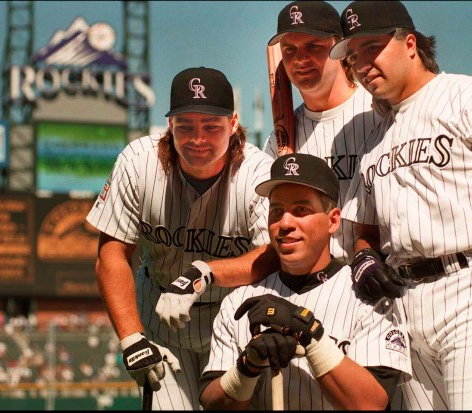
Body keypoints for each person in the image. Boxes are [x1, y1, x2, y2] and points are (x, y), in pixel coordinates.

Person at [332, 1, 472, 409]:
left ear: (410, 43)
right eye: (354, 56)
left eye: (371, 47)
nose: (362, 64)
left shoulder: (471, 96)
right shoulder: (374, 138)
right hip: (404, 303)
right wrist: (364, 260)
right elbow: (364, 235)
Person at [155, 0, 400, 334]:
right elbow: (273, 240)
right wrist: (204, 272)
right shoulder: (282, 137)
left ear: (340, 50)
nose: (300, 60)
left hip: (383, 284)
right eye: (290, 49)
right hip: (314, 292)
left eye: (313, 47)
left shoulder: (379, 115)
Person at [86, 66, 275, 410]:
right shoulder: (139, 163)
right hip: (159, 313)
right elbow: (111, 254)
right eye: (185, 126)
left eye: (211, 127)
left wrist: (204, 273)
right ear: (170, 125)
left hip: (230, 314)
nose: (197, 138)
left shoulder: (258, 172)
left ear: (233, 125)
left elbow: (270, 256)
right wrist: (131, 337)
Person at [199, 153, 411, 410]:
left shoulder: (366, 294)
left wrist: (307, 332)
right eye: (277, 211)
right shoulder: (238, 303)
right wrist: (248, 366)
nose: (285, 223)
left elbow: (369, 404)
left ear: (333, 220)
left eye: (302, 210)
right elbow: (212, 404)